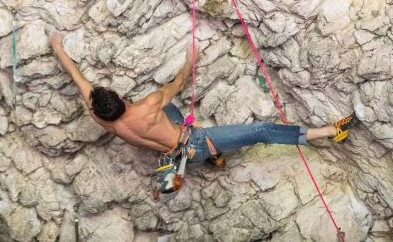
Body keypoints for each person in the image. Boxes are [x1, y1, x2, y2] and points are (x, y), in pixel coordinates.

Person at [49, 31, 359, 164]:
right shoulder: (148, 106)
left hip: (175, 157)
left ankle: (214, 158)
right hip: (195, 145)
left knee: (171, 110)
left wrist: (58, 47)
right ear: (120, 97)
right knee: (261, 131)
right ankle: (331, 132)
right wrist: (190, 59)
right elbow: (179, 82)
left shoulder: (103, 121)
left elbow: (77, 77)